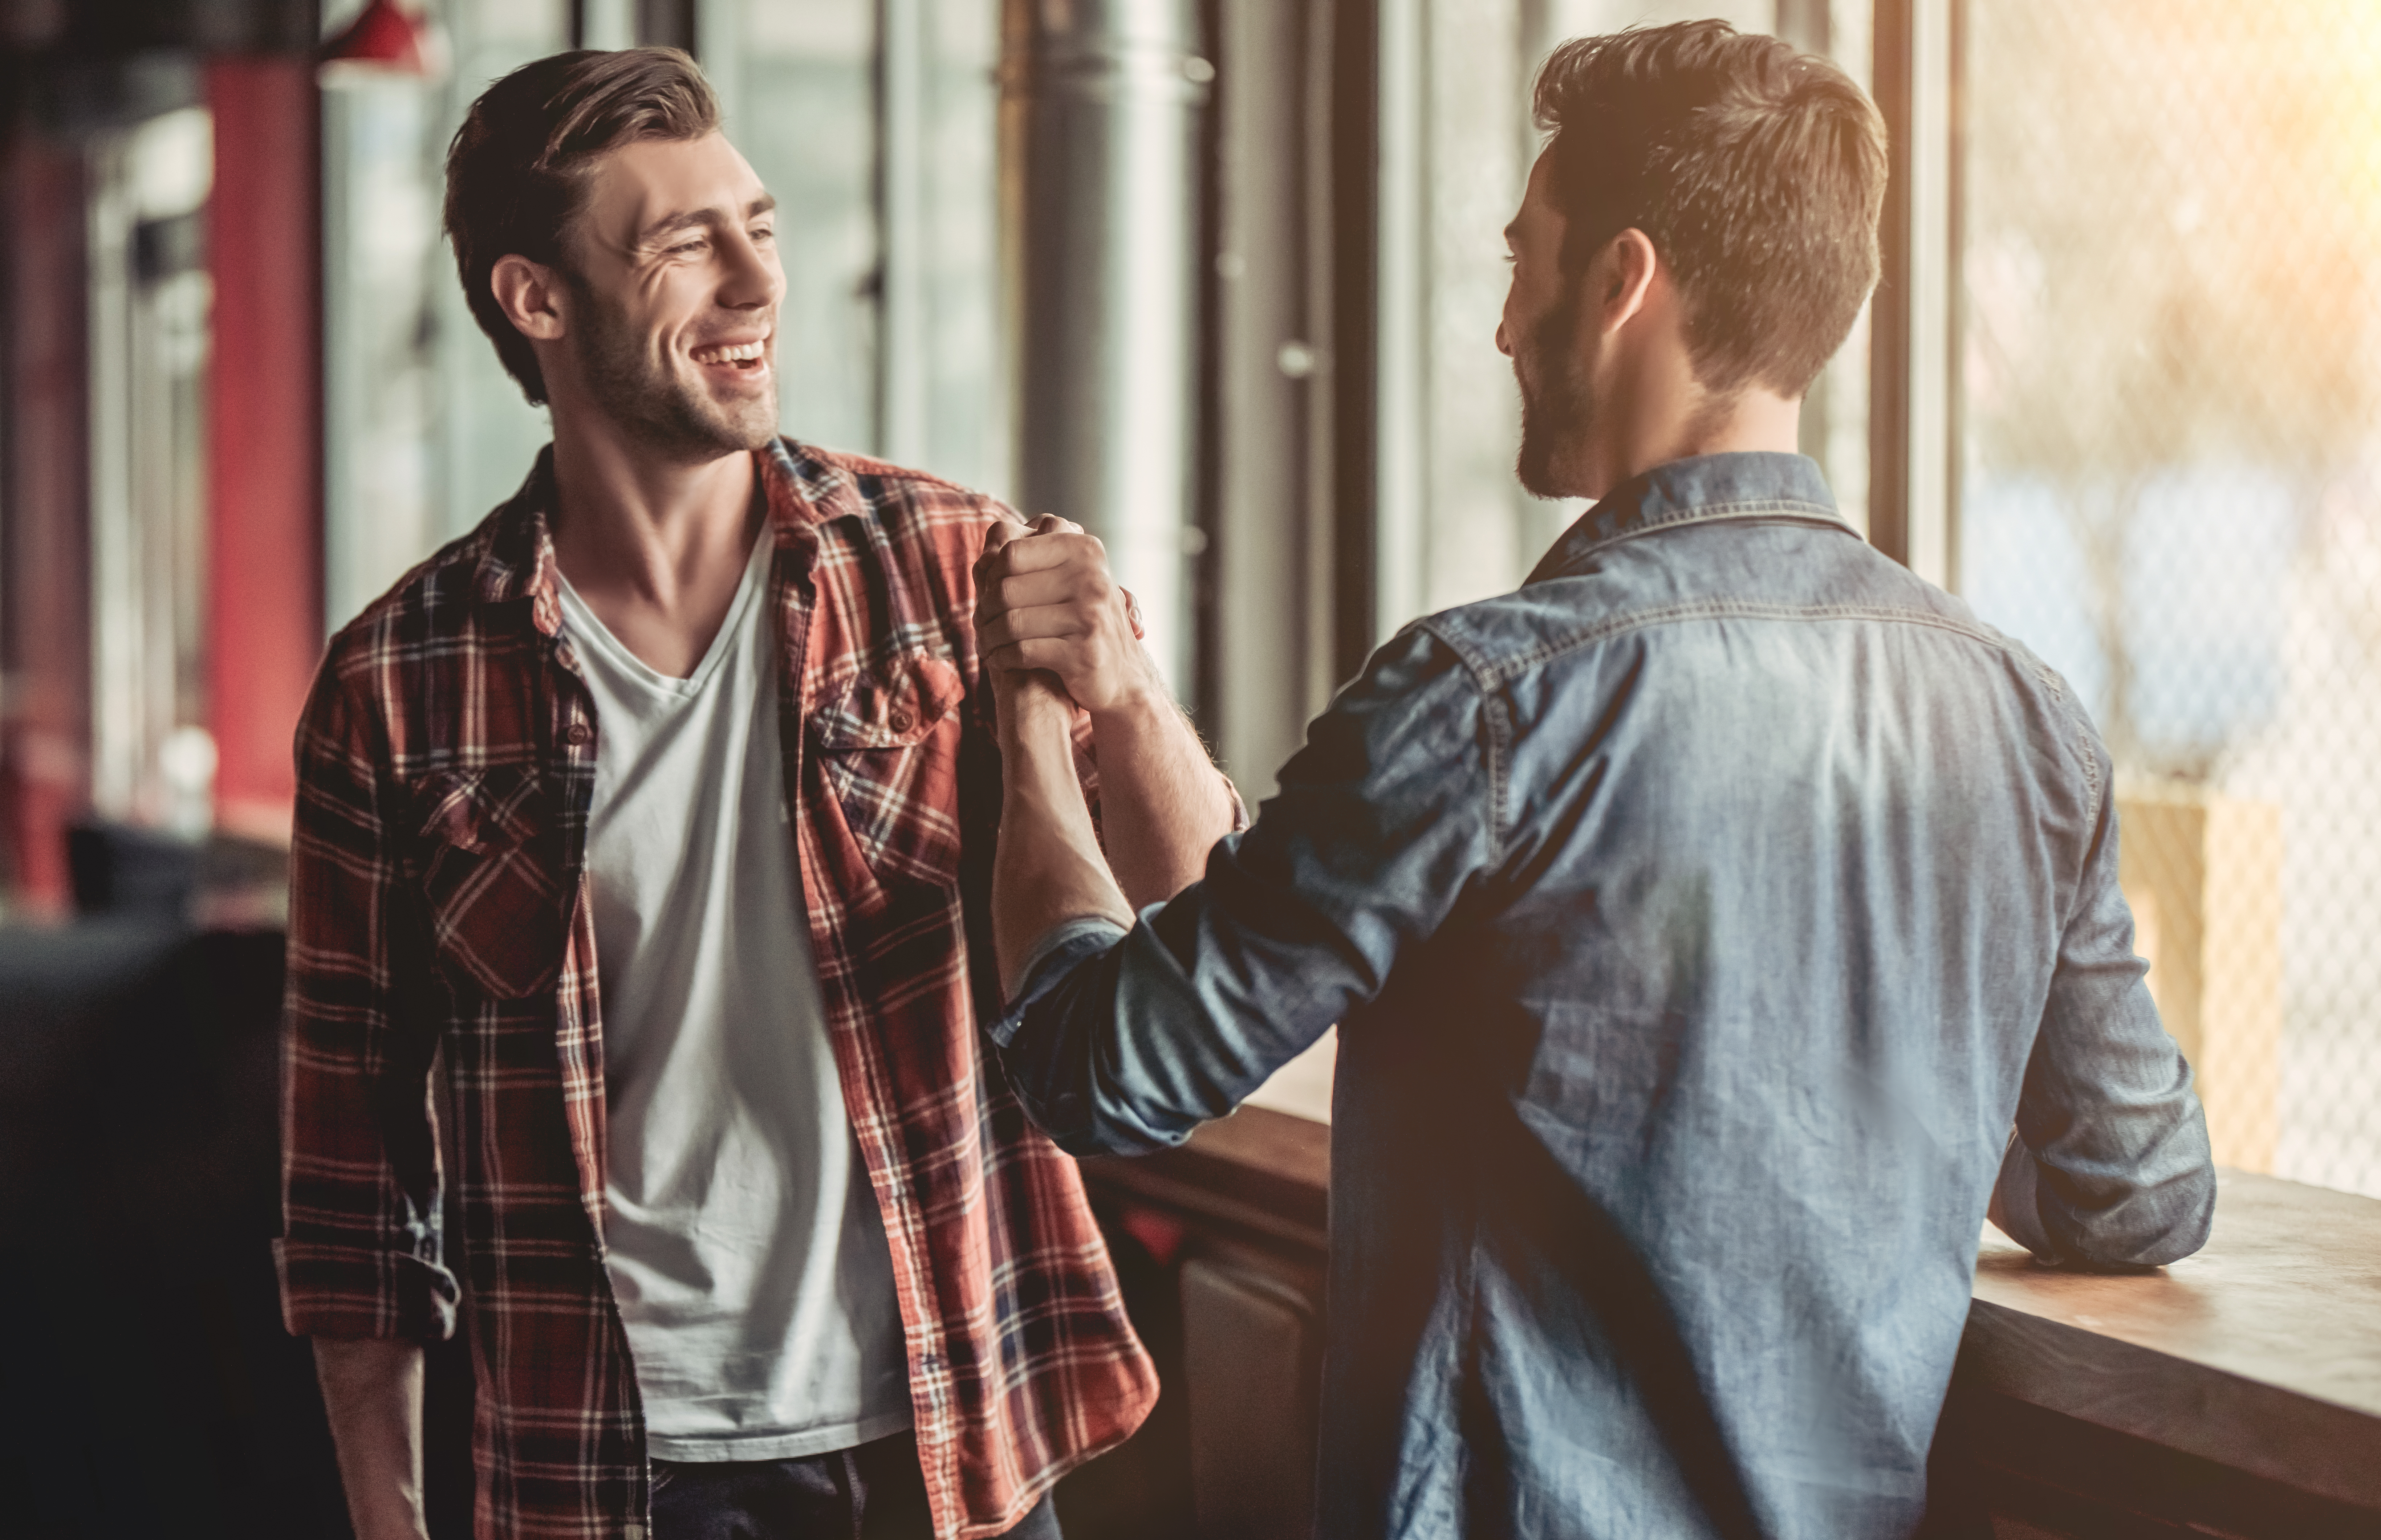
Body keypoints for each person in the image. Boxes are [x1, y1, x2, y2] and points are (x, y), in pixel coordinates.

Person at [976, 21, 2216, 1540]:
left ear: (1622, 281)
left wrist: (1028, 725)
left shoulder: (1488, 700)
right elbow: (2138, 1193)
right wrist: (1901, 1090)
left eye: (1524, 263)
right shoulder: (2022, 717)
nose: (1505, 326)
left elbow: (1101, 1069)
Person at [276, 48, 1236, 1540]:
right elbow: (351, 1168)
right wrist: (386, 1518)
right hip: (601, 1465)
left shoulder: (948, 563)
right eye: (684, 244)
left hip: (946, 1431)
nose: (757, 282)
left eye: (761, 228)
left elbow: (1201, 913)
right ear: (537, 300)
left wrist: (1125, 688)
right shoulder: (397, 682)